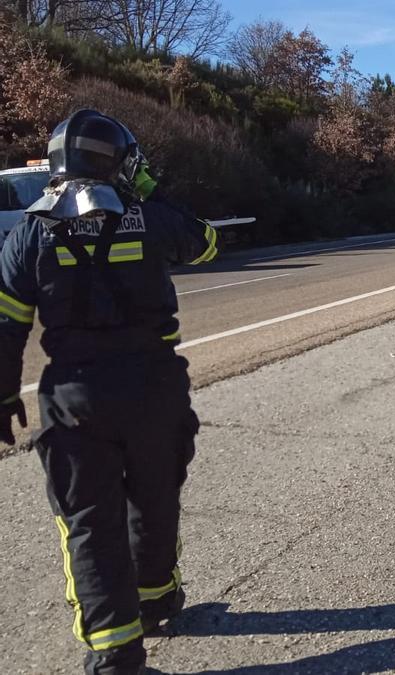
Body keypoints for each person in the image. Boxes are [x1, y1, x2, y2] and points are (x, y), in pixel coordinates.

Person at [0, 109, 218, 675]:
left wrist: (3, 396)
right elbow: (205, 244)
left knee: (90, 524)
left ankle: (118, 657)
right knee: (155, 498)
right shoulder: (148, 216)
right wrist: (152, 189)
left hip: (76, 400)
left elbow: (6, 326)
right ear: (118, 160)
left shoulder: (29, 232)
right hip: (154, 388)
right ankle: (156, 599)